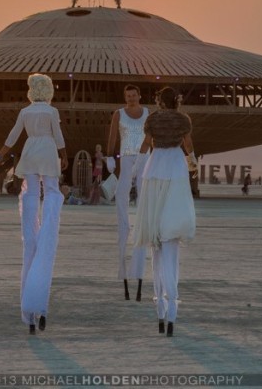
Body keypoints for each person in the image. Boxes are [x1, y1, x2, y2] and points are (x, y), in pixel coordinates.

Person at [0, 73, 68, 335]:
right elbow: (58, 136)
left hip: (30, 150)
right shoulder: (51, 111)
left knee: (33, 190)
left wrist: (1, 155)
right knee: (51, 187)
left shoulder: (25, 112)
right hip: (47, 149)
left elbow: (13, 135)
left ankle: (34, 211)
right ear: (47, 90)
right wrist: (64, 155)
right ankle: (49, 213)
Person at [134, 86, 196, 338]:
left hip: (155, 164)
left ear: (159, 102)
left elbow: (145, 144)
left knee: (156, 242)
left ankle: (161, 306)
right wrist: (192, 165)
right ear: (177, 101)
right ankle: (171, 309)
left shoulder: (152, 119)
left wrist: (136, 168)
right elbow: (188, 145)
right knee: (171, 229)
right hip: (175, 165)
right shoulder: (183, 119)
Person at [106, 84, 151, 301]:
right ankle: (124, 233)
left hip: (144, 158)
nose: (131, 98)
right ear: (125, 97)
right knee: (122, 195)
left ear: (139, 95)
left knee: (143, 196)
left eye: (134, 95)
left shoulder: (148, 113)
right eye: (128, 96)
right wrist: (108, 156)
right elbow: (113, 136)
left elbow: (152, 137)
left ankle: (142, 231)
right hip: (125, 157)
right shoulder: (119, 114)